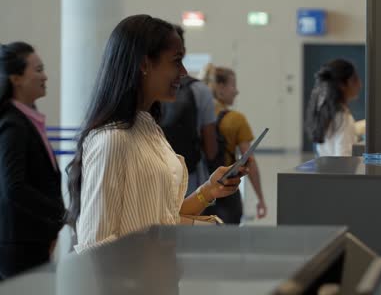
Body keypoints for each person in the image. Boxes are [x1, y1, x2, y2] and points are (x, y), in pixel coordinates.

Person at [66, 15, 246, 252]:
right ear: (144, 64)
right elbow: (95, 247)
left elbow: (163, 218)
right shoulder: (112, 140)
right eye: (176, 61)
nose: (183, 72)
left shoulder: (148, 126)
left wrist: (208, 191)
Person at [0, 42, 64, 279]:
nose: (45, 76)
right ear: (16, 78)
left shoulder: (26, 119)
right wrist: (61, 214)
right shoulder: (13, 124)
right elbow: (14, 187)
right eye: (37, 70)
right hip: (19, 246)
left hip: (32, 242)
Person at [200, 64, 267, 224]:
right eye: (233, 85)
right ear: (221, 87)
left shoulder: (198, 114)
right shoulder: (236, 119)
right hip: (227, 193)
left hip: (198, 193)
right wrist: (260, 198)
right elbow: (249, 161)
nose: (236, 91)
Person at [159, 25, 218, 195]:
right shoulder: (199, 90)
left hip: (156, 176)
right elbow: (210, 146)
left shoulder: (143, 91)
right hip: (189, 174)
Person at [305, 59, 362, 157]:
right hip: (340, 170)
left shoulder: (325, 111)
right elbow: (343, 158)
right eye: (355, 79)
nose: (360, 84)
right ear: (343, 84)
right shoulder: (342, 117)